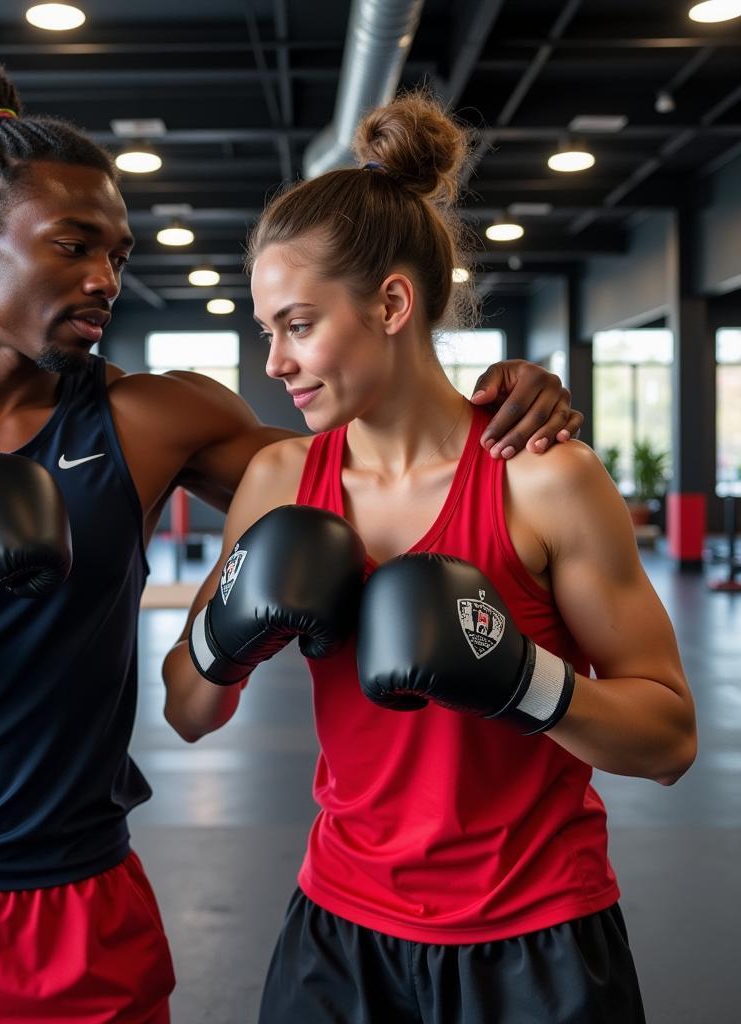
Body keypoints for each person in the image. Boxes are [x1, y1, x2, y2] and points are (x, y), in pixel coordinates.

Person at [0, 62, 580, 1024]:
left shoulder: (152, 418)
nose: (105, 281)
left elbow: (368, 468)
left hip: (76, 910)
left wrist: (499, 403)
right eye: (73, 247)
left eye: (118, 255)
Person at [163, 90, 697, 1024]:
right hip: (339, 933)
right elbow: (186, 708)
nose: (275, 364)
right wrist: (227, 633)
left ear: (393, 302)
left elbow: (667, 742)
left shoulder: (542, 481)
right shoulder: (280, 481)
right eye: (266, 332)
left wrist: (519, 677)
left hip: (539, 940)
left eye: (297, 325)